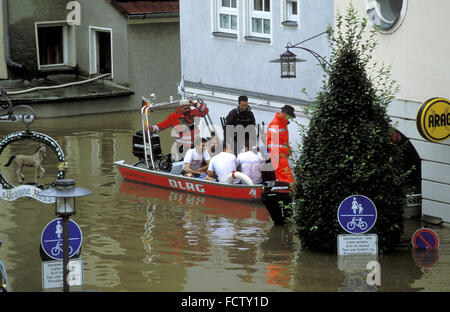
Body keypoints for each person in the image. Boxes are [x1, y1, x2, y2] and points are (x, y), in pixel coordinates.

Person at [267, 105, 295, 183]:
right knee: (286, 176)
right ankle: (292, 193)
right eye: (289, 116)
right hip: (279, 155)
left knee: (282, 176)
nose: (289, 119)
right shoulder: (275, 123)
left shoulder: (282, 123)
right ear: (285, 113)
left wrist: (288, 149)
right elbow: (271, 143)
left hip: (281, 154)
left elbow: (283, 141)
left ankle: (285, 192)